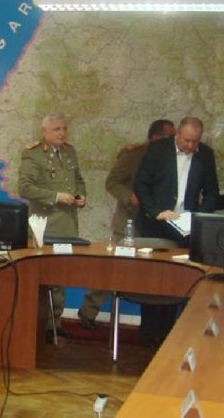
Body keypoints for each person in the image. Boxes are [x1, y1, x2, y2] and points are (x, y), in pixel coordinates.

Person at [77, 119, 175, 330]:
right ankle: (88, 311)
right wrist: (129, 196)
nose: (172, 142)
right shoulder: (134, 155)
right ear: (154, 137)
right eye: (168, 138)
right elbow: (112, 182)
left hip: (156, 225)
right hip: (129, 223)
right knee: (111, 269)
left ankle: (152, 326)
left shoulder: (172, 158)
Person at [133, 116, 218, 345]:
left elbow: (211, 192)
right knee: (152, 282)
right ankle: (148, 335)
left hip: (185, 229)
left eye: (195, 142)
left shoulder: (206, 155)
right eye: (187, 140)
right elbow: (140, 184)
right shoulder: (157, 150)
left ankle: (170, 336)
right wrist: (155, 211)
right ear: (177, 133)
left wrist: (198, 216)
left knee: (177, 282)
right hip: (155, 224)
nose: (191, 146)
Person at [18, 112, 86, 337]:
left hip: (67, 224)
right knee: (43, 276)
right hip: (45, 225)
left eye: (64, 129)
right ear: (44, 132)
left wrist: (81, 196)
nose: (62, 133)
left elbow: (78, 180)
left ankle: (54, 324)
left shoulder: (69, 152)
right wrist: (56, 196)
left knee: (59, 277)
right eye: (57, 129)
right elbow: (25, 188)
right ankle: (37, 324)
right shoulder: (33, 154)